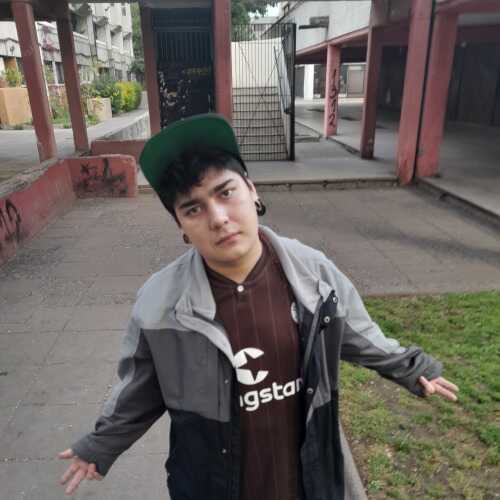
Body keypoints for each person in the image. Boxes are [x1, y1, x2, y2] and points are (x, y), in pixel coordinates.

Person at [58, 114, 459, 499]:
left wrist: (410, 367)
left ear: (252, 190)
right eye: (193, 209)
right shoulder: (161, 302)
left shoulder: (312, 273)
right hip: (209, 483)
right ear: (181, 226)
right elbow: (141, 388)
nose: (218, 218)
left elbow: (356, 332)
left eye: (225, 193)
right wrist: (102, 443)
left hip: (307, 478)